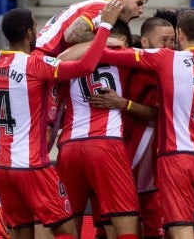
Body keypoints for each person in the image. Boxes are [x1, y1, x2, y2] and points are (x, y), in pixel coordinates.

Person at [0, 0, 148, 238]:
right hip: (42, 65)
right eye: (139, 2)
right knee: (39, 132)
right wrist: (107, 36)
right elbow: (74, 35)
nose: (141, 9)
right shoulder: (102, 7)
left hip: (25, 68)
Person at [92, 8, 194, 239]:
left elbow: (105, 55)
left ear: (180, 34)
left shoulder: (166, 59)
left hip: (176, 157)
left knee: (180, 227)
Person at [89, 17, 176, 239]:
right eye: (163, 40)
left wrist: (124, 104)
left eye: (173, 40)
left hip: (149, 164)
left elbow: (161, 116)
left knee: (152, 229)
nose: (169, 45)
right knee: (107, 228)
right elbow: (92, 51)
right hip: (117, 154)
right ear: (145, 43)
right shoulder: (125, 62)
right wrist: (109, 41)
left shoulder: (171, 72)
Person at [56, 20, 140, 239]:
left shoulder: (76, 55)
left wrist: (99, 41)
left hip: (69, 147)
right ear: (123, 39)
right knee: (126, 224)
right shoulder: (126, 53)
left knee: (68, 225)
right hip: (106, 144)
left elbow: (59, 59)